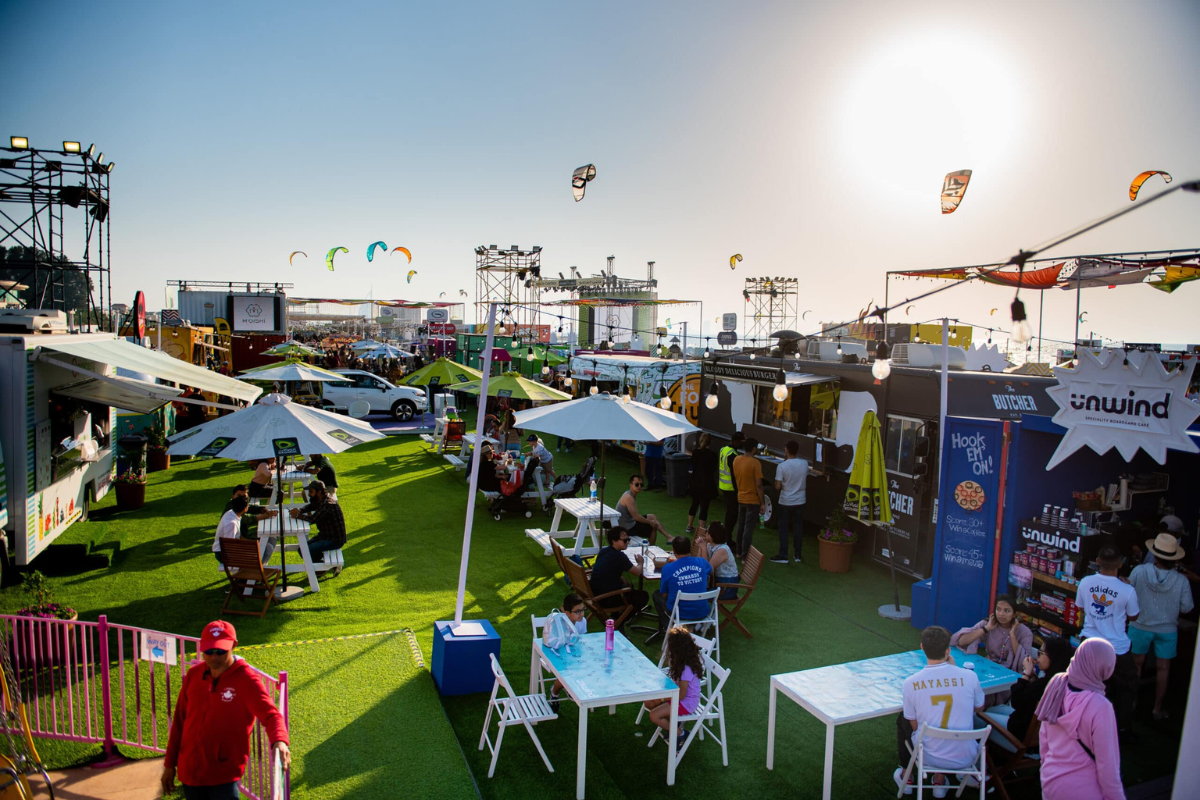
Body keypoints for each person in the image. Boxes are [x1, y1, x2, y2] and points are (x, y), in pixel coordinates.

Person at [162, 621, 291, 799]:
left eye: (221, 651)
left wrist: (280, 741)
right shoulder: (193, 675)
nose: (214, 656)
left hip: (223, 776)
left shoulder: (247, 680)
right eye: (209, 651)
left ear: (234, 645)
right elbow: (179, 722)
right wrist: (169, 765)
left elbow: (271, 716)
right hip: (189, 773)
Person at [894, 626, 985, 797]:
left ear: (922, 647)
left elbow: (914, 725)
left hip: (929, 756)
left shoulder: (910, 683)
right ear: (948, 651)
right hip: (966, 756)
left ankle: (907, 775)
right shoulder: (970, 677)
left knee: (905, 718)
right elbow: (979, 708)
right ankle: (939, 780)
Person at [1035, 638, 1125, 800]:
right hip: (1085, 790)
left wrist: (1045, 768)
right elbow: (1108, 765)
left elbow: (1044, 736)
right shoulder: (1101, 706)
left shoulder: (1056, 683)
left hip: (1051, 781)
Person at [1075, 546, 1139, 740]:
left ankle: (1084, 727)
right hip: (1116, 649)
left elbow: (1081, 608)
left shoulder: (1086, 582)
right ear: (1120, 564)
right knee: (1125, 690)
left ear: (1097, 561)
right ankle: (1121, 730)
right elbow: (1134, 616)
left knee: (1086, 688)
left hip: (1090, 644)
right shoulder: (1127, 590)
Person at [1129, 533, 1194, 721]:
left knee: (1136, 665)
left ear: (1155, 554)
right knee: (1163, 668)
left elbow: (1129, 594)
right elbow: (1187, 607)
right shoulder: (1182, 580)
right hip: (1167, 629)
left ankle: (1132, 703)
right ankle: (1157, 708)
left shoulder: (1139, 571)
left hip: (1140, 624)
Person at [981, 636, 1073, 750]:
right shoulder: (1064, 683)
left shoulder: (1044, 685)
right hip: (1041, 738)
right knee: (991, 709)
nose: (1037, 658)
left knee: (977, 717)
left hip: (1019, 737)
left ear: (1053, 657)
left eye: (1040, 653)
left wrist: (1026, 673)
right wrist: (1033, 680)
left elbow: (1016, 701)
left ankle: (983, 755)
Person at [641, 627, 704, 754]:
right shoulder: (680, 661)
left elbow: (681, 695)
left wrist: (662, 698)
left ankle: (681, 734)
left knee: (654, 715)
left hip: (686, 703)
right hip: (677, 696)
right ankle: (673, 723)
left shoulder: (686, 668)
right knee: (648, 703)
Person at [950, 594, 1034, 675]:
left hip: (1011, 672)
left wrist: (1012, 635)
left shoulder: (1025, 632)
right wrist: (986, 628)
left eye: (1007, 611)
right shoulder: (989, 623)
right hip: (989, 666)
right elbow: (961, 641)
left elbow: (1025, 662)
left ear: (1014, 614)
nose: (1001, 614)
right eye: (998, 609)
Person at [588, 527, 648, 625]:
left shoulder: (604, 551)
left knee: (626, 586)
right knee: (642, 596)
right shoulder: (619, 556)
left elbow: (605, 569)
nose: (627, 542)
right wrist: (640, 562)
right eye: (624, 540)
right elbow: (637, 572)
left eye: (628, 540)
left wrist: (621, 577)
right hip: (605, 599)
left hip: (595, 592)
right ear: (614, 541)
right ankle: (619, 622)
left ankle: (615, 616)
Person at [653, 536, 713, 630]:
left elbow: (664, 595)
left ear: (674, 550)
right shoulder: (702, 563)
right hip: (702, 612)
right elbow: (710, 570)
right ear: (690, 548)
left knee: (657, 595)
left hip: (679, 613)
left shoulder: (667, 568)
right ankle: (687, 628)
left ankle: (670, 629)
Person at [288, 480, 346, 576]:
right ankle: (324, 565)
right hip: (325, 535)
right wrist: (300, 510)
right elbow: (311, 506)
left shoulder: (327, 504)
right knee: (301, 549)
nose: (309, 494)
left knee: (307, 550)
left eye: (311, 492)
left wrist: (297, 515)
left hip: (335, 539)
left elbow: (312, 519)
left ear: (319, 492)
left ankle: (325, 566)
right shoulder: (321, 499)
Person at [547, 594, 587, 712]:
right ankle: (554, 692)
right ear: (567, 613)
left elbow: (582, 639)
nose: (581, 614)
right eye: (577, 611)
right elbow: (554, 643)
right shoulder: (558, 623)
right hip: (556, 652)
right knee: (566, 672)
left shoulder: (582, 622)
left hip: (574, 654)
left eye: (583, 610)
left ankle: (571, 686)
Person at [771, 440, 809, 564]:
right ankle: (797, 555)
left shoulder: (782, 466)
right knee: (798, 528)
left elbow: (777, 486)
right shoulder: (804, 463)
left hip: (786, 500)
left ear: (786, 450)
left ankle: (783, 554)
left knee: (783, 528)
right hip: (800, 500)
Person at [732, 438, 765, 560]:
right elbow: (759, 485)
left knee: (740, 525)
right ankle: (745, 555)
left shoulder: (736, 459)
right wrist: (762, 502)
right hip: (752, 499)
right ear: (754, 449)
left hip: (741, 497)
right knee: (748, 527)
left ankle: (739, 552)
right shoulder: (755, 463)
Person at [617, 474, 668, 545]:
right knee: (653, 526)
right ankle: (651, 547)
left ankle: (668, 537)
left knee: (652, 516)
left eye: (641, 484)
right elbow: (636, 517)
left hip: (628, 523)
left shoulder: (629, 494)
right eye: (637, 484)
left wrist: (650, 521)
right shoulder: (628, 497)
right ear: (631, 485)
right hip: (627, 528)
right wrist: (650, 522)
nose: (639, 486)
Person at [686, 433, 719, 533]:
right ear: (710, 442)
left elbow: (693, 464)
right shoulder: (713, 455)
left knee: (694, 503)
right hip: (707, 482)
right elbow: (713, 469)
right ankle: (701, 528)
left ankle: (689, 525)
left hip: (695, 481)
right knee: (704, 506)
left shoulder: (695, 452)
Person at [697, 522, 738, 600]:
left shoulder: (722, 550)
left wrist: (703, 548)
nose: (705, 532)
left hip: (726, 588)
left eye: (707, 531)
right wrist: (700, 547)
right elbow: (698, 563)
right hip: (717, 583)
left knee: (694, 590)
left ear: (712, 536)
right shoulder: (711, 545)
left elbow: (708, 569)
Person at [718, 432, 745, 544]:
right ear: (736, 442)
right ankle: (727, 538)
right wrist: (738, 490)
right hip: (730, 488)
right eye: (742, 442)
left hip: (723, 485)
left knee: (730, 512)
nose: (743, 444)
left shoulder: (724, 449)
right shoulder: (732, 455)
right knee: (732, 514)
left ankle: (727, 536)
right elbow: (734, 475)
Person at [213, 498, 248, 562]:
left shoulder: (231, 513)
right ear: (245, 509)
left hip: (222, 551)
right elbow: (229, 545)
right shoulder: (232, 524)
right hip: (223, 554)